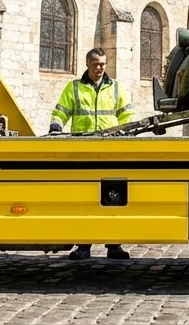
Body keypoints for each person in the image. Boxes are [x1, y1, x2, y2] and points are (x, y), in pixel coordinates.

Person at [49, 47, 134, 260]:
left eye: (103, 64)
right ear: (87, 64)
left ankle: (114, 246)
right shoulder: (74, 88)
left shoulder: (116, 88)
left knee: (114, 200)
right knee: (83, 200)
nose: (99, 68)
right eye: (96, 64)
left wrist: (129, 136)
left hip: (112, 151)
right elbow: (61, 111)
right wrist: (56, 127)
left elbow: (127, 116)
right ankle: (83, 246)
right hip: (83, 151)